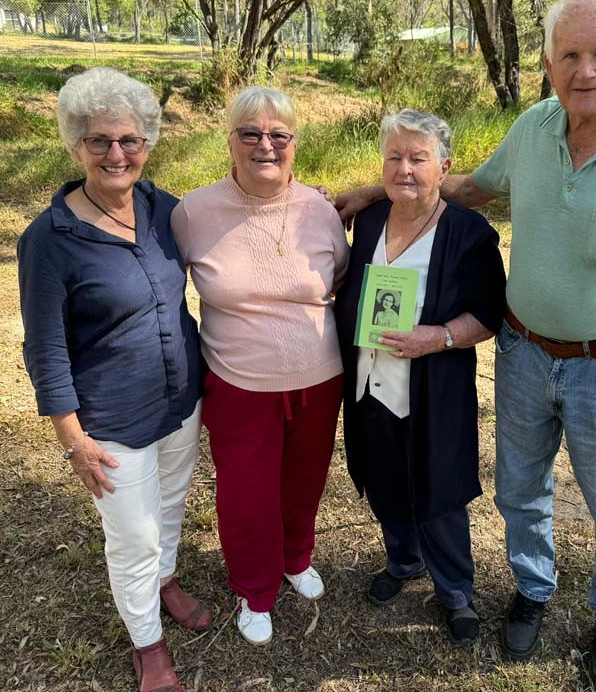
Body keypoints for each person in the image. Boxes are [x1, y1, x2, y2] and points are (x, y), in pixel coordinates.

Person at [336, 0, 596, 692]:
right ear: (548, 63)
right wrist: (376, 189)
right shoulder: (534, 129)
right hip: (520, 353)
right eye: (569, 54)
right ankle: (533, 592)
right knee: (520, 491)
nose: (585, 71)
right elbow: (468, 186)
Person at [17, 67, 210, 692]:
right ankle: (147, 646)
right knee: (134, 534)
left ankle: (166, 581)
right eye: (99, 141)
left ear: (148, 144)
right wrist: (72, 438)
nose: (116, 154)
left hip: (182, 399)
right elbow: (44, 348)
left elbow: (240, 220)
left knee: (172, 505)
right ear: (75, 145)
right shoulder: (50, 239)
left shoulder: (163, 209)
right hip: (110, 417)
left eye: (130, 140)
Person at [171, 86, 349, 646]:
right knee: (246, 494)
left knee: (304, 480)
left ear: (294, 144)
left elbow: (338, 277)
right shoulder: (193, 213)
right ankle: (255, 588)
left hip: (320, 379)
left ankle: (296, 558)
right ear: (231, 142)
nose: (265, 145)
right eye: (250, 133)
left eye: (278, 135)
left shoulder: (321, 209)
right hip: (238, 384)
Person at [335, 110, 506, 647]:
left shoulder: (469, 233)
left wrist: (439, 337)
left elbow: (491, 312)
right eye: (394, 157)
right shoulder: (366, 223)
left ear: (445, 166)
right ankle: (402, 560)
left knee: (440, 492)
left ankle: (455, 590)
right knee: (383, 477)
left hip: (433, 388)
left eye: (418, 158)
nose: (404, 168)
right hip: (369, 382)